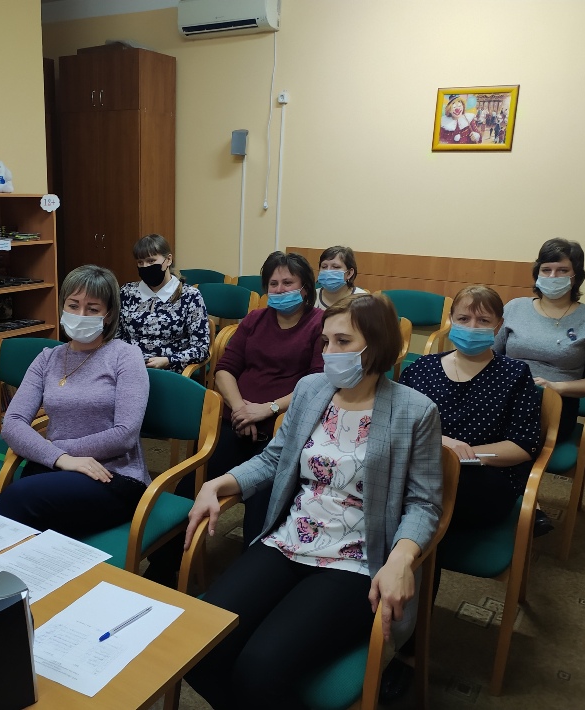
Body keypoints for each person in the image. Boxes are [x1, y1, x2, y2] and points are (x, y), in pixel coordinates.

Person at [183, 293, 443, 710]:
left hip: (356, 559)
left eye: (343, 341)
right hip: (290, 539)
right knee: (198, 643)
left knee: (260, 669)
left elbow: (424, 503)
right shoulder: (310, 389)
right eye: (325, 342)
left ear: (376, 344)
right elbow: (274, 459)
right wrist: (219, 483)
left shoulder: (415, 410)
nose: (329, 353)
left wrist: (400, 559)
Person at [379, 285, 542, 704]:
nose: (472, 327)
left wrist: (464, 456)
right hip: (418, 475)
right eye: (464, 318)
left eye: (483, 320)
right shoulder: (421, 368)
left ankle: (409, 652)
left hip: (481, 484)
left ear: (499, 327)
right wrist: (442, 444)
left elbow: (523, 445)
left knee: (421, 530)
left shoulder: (515, 375)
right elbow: (394, 422)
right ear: (451, 320)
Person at [0, 265, 150, 537]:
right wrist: (62, 459)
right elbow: (13, 423)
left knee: (19, 500)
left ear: (109, 315)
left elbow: (125, 435)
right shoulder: (47, 358)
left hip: (113, 475)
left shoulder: (125, 356)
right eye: (73, 306)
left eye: (92, 309)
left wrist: (59, 450)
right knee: (24, 524)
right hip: (55, 466)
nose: (80, 315)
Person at [494, 238, 585, 533]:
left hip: (553, 404)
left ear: (576, 276)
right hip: (506, 392)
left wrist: (557, 387)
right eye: (546, 269)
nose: (553, 277)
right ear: (537, 272)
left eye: (562, 270)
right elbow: (492, 354)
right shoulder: (515, 307)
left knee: (504, 429)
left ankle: (523, 501)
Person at [210, 250, 325, 543]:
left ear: (305, 288)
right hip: (237, 422)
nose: (280, 289)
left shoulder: (320, 324)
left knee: (262, 506)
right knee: (192, 485)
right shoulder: (255, 319)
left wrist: (268, 409)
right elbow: (224, 370)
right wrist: (240, 409)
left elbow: (317, 383)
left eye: (288, 283)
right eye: (273, 284)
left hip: (282, 430)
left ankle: (251, 561)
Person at [117, 233, 210, 374]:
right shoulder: (127, 292)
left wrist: (168, 360)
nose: (145, 266)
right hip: (129, 368)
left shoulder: (190, 296)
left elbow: (201, 349)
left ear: (168, 260)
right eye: (140, 262)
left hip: (169, 372)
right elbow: (115, 337)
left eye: (151, 261)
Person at [314, 245, 368, 309]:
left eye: (335, 267)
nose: (328, 271)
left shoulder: (364, 300)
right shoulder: (310, 297)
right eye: (324, 267)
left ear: (349, 273)